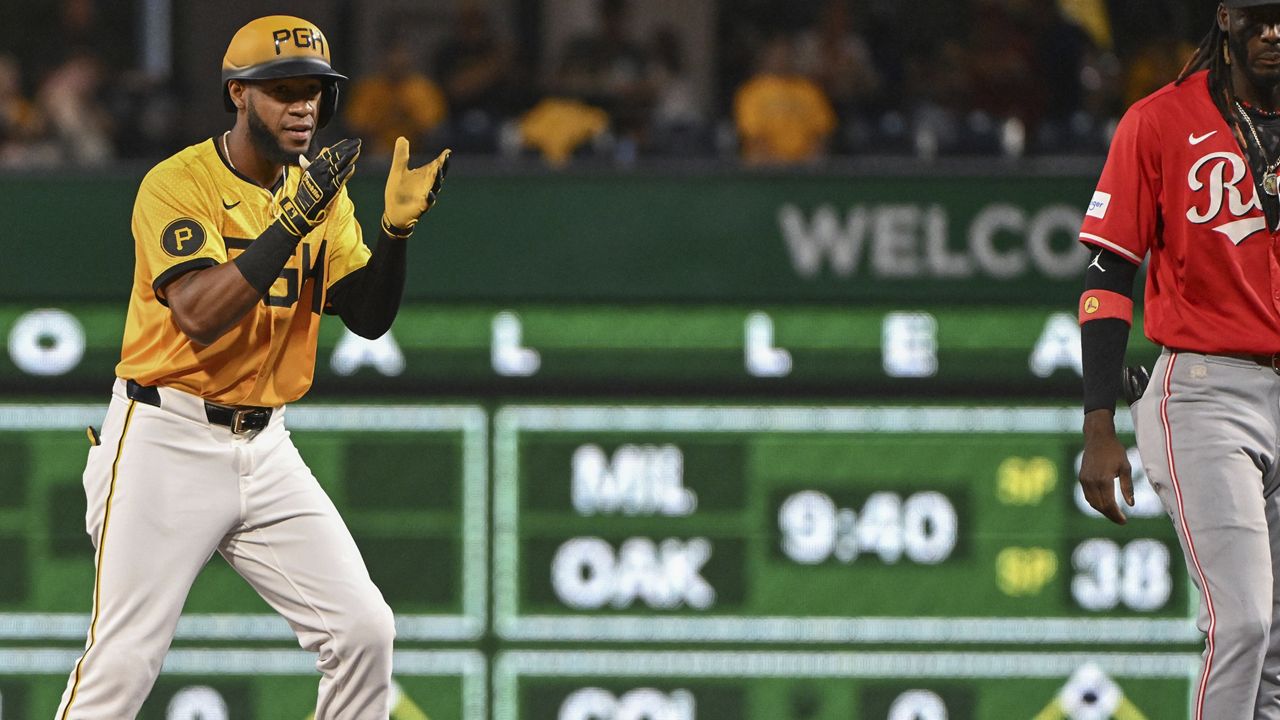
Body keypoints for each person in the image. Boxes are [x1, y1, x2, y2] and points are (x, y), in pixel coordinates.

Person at [55, 15, 450, 719]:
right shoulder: (177, 183)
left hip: (265, 447)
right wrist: (293, 221)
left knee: (364, 632)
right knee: (125, 662)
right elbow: (200, 314)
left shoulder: (318, 191)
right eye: (283, 90)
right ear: (238, 93)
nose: (303, 106)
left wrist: (394, 234)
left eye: (314, 92)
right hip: (164, 436)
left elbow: (365, 315)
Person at [1078, 2, 1280, 717]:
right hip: (1206, 390)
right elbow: (1108, 276)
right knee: (1246, 621)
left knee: (1278, 649)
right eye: (1260, 18)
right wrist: (1098, 424)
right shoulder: (1160, 120)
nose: (1274, 33)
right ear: (1227, 19)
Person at [344, 41, 448, 158]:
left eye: (401, 58)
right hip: (374, 155)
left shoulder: (423, 89)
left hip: (417, 153)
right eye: (392, 58)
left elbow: (432, 127)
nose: (396, 62)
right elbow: (355, 125)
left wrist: (407, 111)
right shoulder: (368, 89)